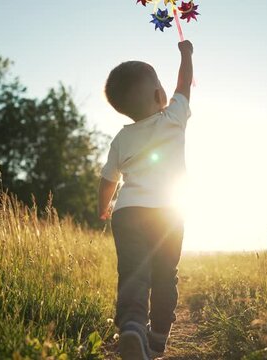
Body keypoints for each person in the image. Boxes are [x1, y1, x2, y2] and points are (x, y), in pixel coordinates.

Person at [98, 40, 194, 359]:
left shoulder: (122, 138)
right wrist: (186, 55)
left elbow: (108, 179)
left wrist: (103, 207)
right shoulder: (173, 119)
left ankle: (132, 328)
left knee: (133, 273)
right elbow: (184, 85)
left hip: (127, 213)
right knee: (166, 275)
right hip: (167, 213)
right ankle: (155, 340)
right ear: (159, 96)